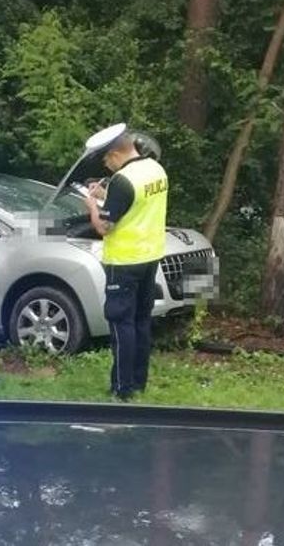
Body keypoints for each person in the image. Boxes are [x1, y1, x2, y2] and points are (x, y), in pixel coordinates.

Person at [82, 124, 168, 400]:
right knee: (142, 320)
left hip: (124, 260)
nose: (107, 166)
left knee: (121, 323)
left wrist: (92, 207)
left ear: (116, 153)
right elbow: (135, 204)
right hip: (151, 256)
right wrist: (105, 197)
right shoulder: (156, 170)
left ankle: (122, 387)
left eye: (106, 159)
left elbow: (104, 228)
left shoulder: (122, 179)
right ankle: (139, 382)